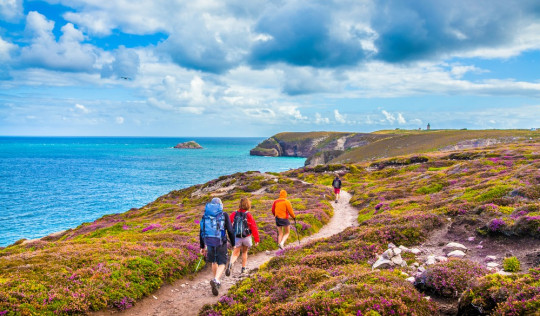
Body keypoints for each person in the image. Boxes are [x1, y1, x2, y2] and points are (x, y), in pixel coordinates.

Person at [199, 197, 235, 296]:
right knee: (222, 263)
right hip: (221, 242)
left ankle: (216, 281)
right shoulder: (224, 214)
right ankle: (216, 280)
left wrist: (202, 246)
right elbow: (230, 231)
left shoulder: (205, 216)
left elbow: (202, 231)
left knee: (214, 261)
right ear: (220, 205)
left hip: (209, 242)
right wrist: (233, 243)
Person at [226, 197, 259, 276]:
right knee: (244, 252)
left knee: (235, 253)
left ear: (240, 204)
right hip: (246, 236)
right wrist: (256, 239)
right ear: (248, 205)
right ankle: (243, 269)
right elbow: (253, 227)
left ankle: (231, 263)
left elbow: (228, 224)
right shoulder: (248, 214)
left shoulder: (234, 214)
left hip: (236, 237)